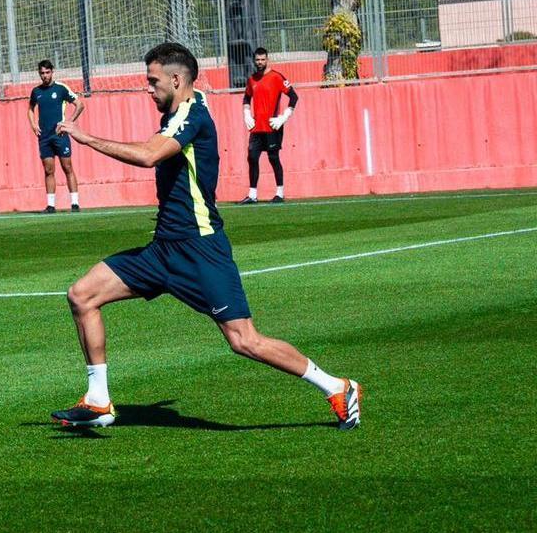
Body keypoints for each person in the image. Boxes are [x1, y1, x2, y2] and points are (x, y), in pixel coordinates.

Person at [51, 43, 361, 430]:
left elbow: (149, 155)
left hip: (200, 251)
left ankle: (338, 386)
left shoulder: (192, 115)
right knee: (82, 295)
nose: (149, 89)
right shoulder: (183, 109)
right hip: (163, 250)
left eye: (153, 81)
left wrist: (84, 137)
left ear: (177, 80)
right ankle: (98, 401)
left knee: (244, 341)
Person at [238, 48, 299, 204]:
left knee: (273, 158)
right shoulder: (252, 79)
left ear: (267, 59)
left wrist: (284, 117)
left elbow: (293, 97)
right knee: (252, 157)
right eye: (257, 60)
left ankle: (280, 193)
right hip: (257, 127)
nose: (260, 62)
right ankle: (252, 195)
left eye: (262, 59)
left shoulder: (277, 77)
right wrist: (246, 114)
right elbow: (246, 98)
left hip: (273, 126)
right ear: (254, 60)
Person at [28, 60, 85, 213]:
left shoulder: (61, 89)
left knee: (67, 167)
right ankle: (51, 205)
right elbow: (31, 109)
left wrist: (68, 122)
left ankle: (74, 203)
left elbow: (80, 104)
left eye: (47, 72)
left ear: (52, 72)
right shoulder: (36, 92)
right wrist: (33, 124)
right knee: (48, 170)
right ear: (39, 74)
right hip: (44, 137)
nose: (45, 76)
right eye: (42, 73)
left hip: (60, 135)